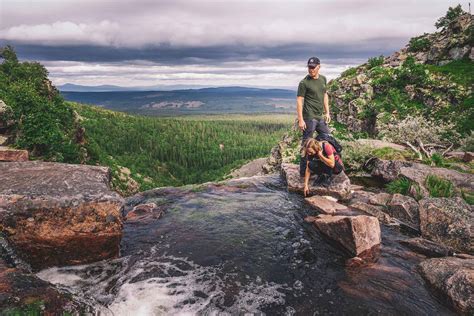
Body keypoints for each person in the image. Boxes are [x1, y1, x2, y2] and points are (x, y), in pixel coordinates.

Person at [297, 57, 331, 177]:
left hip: (320, 116)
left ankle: (323, 168)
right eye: (309, 67)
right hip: (309, 117)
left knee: (328, 139)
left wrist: (327, 112)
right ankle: (303, 172)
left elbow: (325, 95)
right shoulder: (304, 83)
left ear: (318, 67)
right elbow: (300, 101)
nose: (310, 70)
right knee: (307, 144)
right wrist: (301, 119)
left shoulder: (323, 79)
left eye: (313, 67)